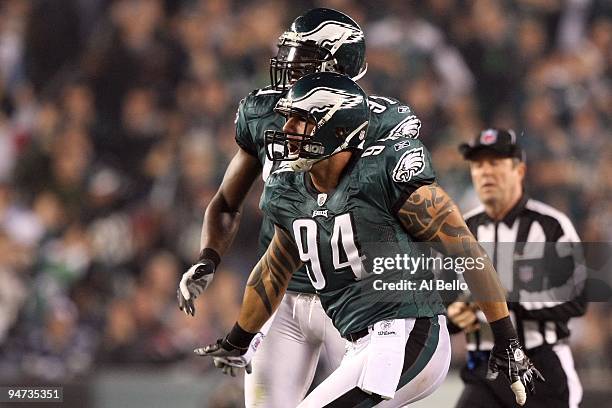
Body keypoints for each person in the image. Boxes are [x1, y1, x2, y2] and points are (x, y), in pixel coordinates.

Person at [196, 73, 542, 407]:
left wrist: (507, 338)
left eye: (300, 120)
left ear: (338, 129)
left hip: (408, 332)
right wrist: (239, 338)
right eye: (288, 118)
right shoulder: (288, 188)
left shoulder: (383, 173)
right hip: (360, 343)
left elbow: (465, 248)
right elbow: (275, 269)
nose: (286, 130)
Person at [176, 8, 424, 408]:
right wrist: (208, 258)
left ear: (337, 62)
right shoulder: (264, 113)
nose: (289, 67)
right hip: (283, 295)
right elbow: (225, 202)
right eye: (289, 54)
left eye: (302, 57)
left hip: (351, 296)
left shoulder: (382, 121)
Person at [447, 128, 585, 408]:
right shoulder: (461, 229)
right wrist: (452, 315)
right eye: (478, 164)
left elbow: (576, 298)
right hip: (485, 366)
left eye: (495, 163)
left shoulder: (550, 225)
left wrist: (506, 300)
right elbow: (444, 295)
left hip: (540, 365)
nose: (485, 172)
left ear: (519, 171)